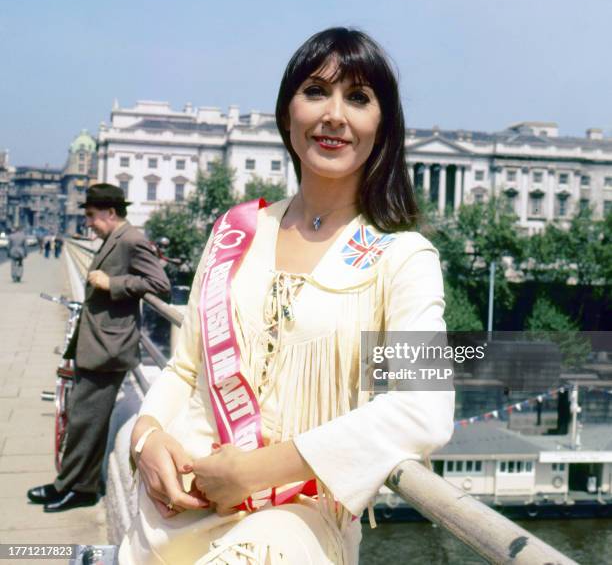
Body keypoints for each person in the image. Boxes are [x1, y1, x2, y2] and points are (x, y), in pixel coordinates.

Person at [120, 28, 455, 564]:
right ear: (287, 113)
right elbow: (185, 369)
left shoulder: (402, 257)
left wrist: (255, 471)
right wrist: (146, 435)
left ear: (382, 128)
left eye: (359, 98)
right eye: (316, 92)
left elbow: (426, 408)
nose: (335, 115)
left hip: (291, 525)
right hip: (173, 505)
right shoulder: (236, 230)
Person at [27, 183, 171, 513]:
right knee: (84, 420)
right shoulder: (115, 239)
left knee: (83, 421)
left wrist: (114, 284)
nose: (88, 223)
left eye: (91, 216)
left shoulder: (131, 239)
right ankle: (77, 485)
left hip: (109, 349)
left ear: (109, 212)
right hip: (99, 344)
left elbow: (160, 284)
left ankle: (73, 488)